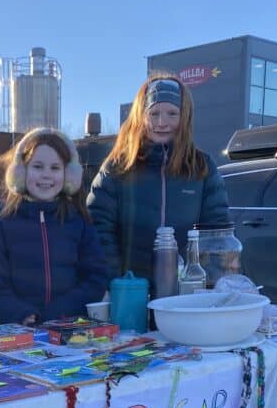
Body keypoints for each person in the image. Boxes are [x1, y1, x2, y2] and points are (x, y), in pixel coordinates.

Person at [87, 75, 230, 285]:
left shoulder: (201, 167)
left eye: (172, 114)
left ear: (184, 118)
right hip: (131, 290)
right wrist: (115, 282)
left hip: (186, 295)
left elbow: (218, 232)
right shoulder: (118, 167)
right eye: (154, 114)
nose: (162, 123)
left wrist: (209, 281)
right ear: (141, 117)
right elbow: (98, 229)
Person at [0, 128, 109, 326]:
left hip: (71, 327)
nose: (46, 175)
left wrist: (62, 310)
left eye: (55, 168)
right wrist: (21, 313)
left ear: (68, 175)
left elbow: (95, 278)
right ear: (21, 172)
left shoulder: (80, 225)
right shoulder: (0, 229)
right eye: (38, 166)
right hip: (19, 332)